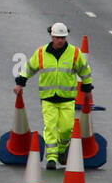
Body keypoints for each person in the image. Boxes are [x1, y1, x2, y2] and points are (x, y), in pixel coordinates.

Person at [14, 22, 94, 169]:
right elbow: (29, 68)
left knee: (66, 128)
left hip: (67, 98)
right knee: (50, 126)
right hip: (48, 97)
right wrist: (20, 83)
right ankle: (51, 157)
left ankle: (62, 150)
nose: (60, 40)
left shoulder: (75, 53)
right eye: (57, 37)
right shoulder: (41, 53)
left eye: (63, 37)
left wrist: (87, 89)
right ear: (52, 36)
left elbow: (85, 71)